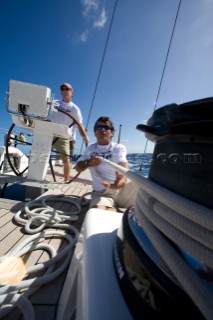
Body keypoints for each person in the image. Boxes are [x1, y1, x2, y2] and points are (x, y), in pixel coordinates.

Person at [75, 116, 137, 211]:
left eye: (106, 127)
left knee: (148, 185)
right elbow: (78, 168)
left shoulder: (118, 148)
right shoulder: (90, 149)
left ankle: (118, 209)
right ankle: (117, 210)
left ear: (111, 132)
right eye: (99, 128)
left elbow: (122, 164)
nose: (102, 130)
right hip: (103, 193)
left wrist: (121, 179)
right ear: (95, 132)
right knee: (98, 211)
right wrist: (88, 162)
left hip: (123, 190)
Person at [49, 83, 89, 182]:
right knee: (40, 152)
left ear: (72, 92)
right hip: (50, 133)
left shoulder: (75, 109)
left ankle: (66, 181)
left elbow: (79, 125)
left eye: (67, 89)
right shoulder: (54, 103)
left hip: (68, 138)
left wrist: (84, 136)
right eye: (62, 89)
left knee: (67, 160)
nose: (65, 90)